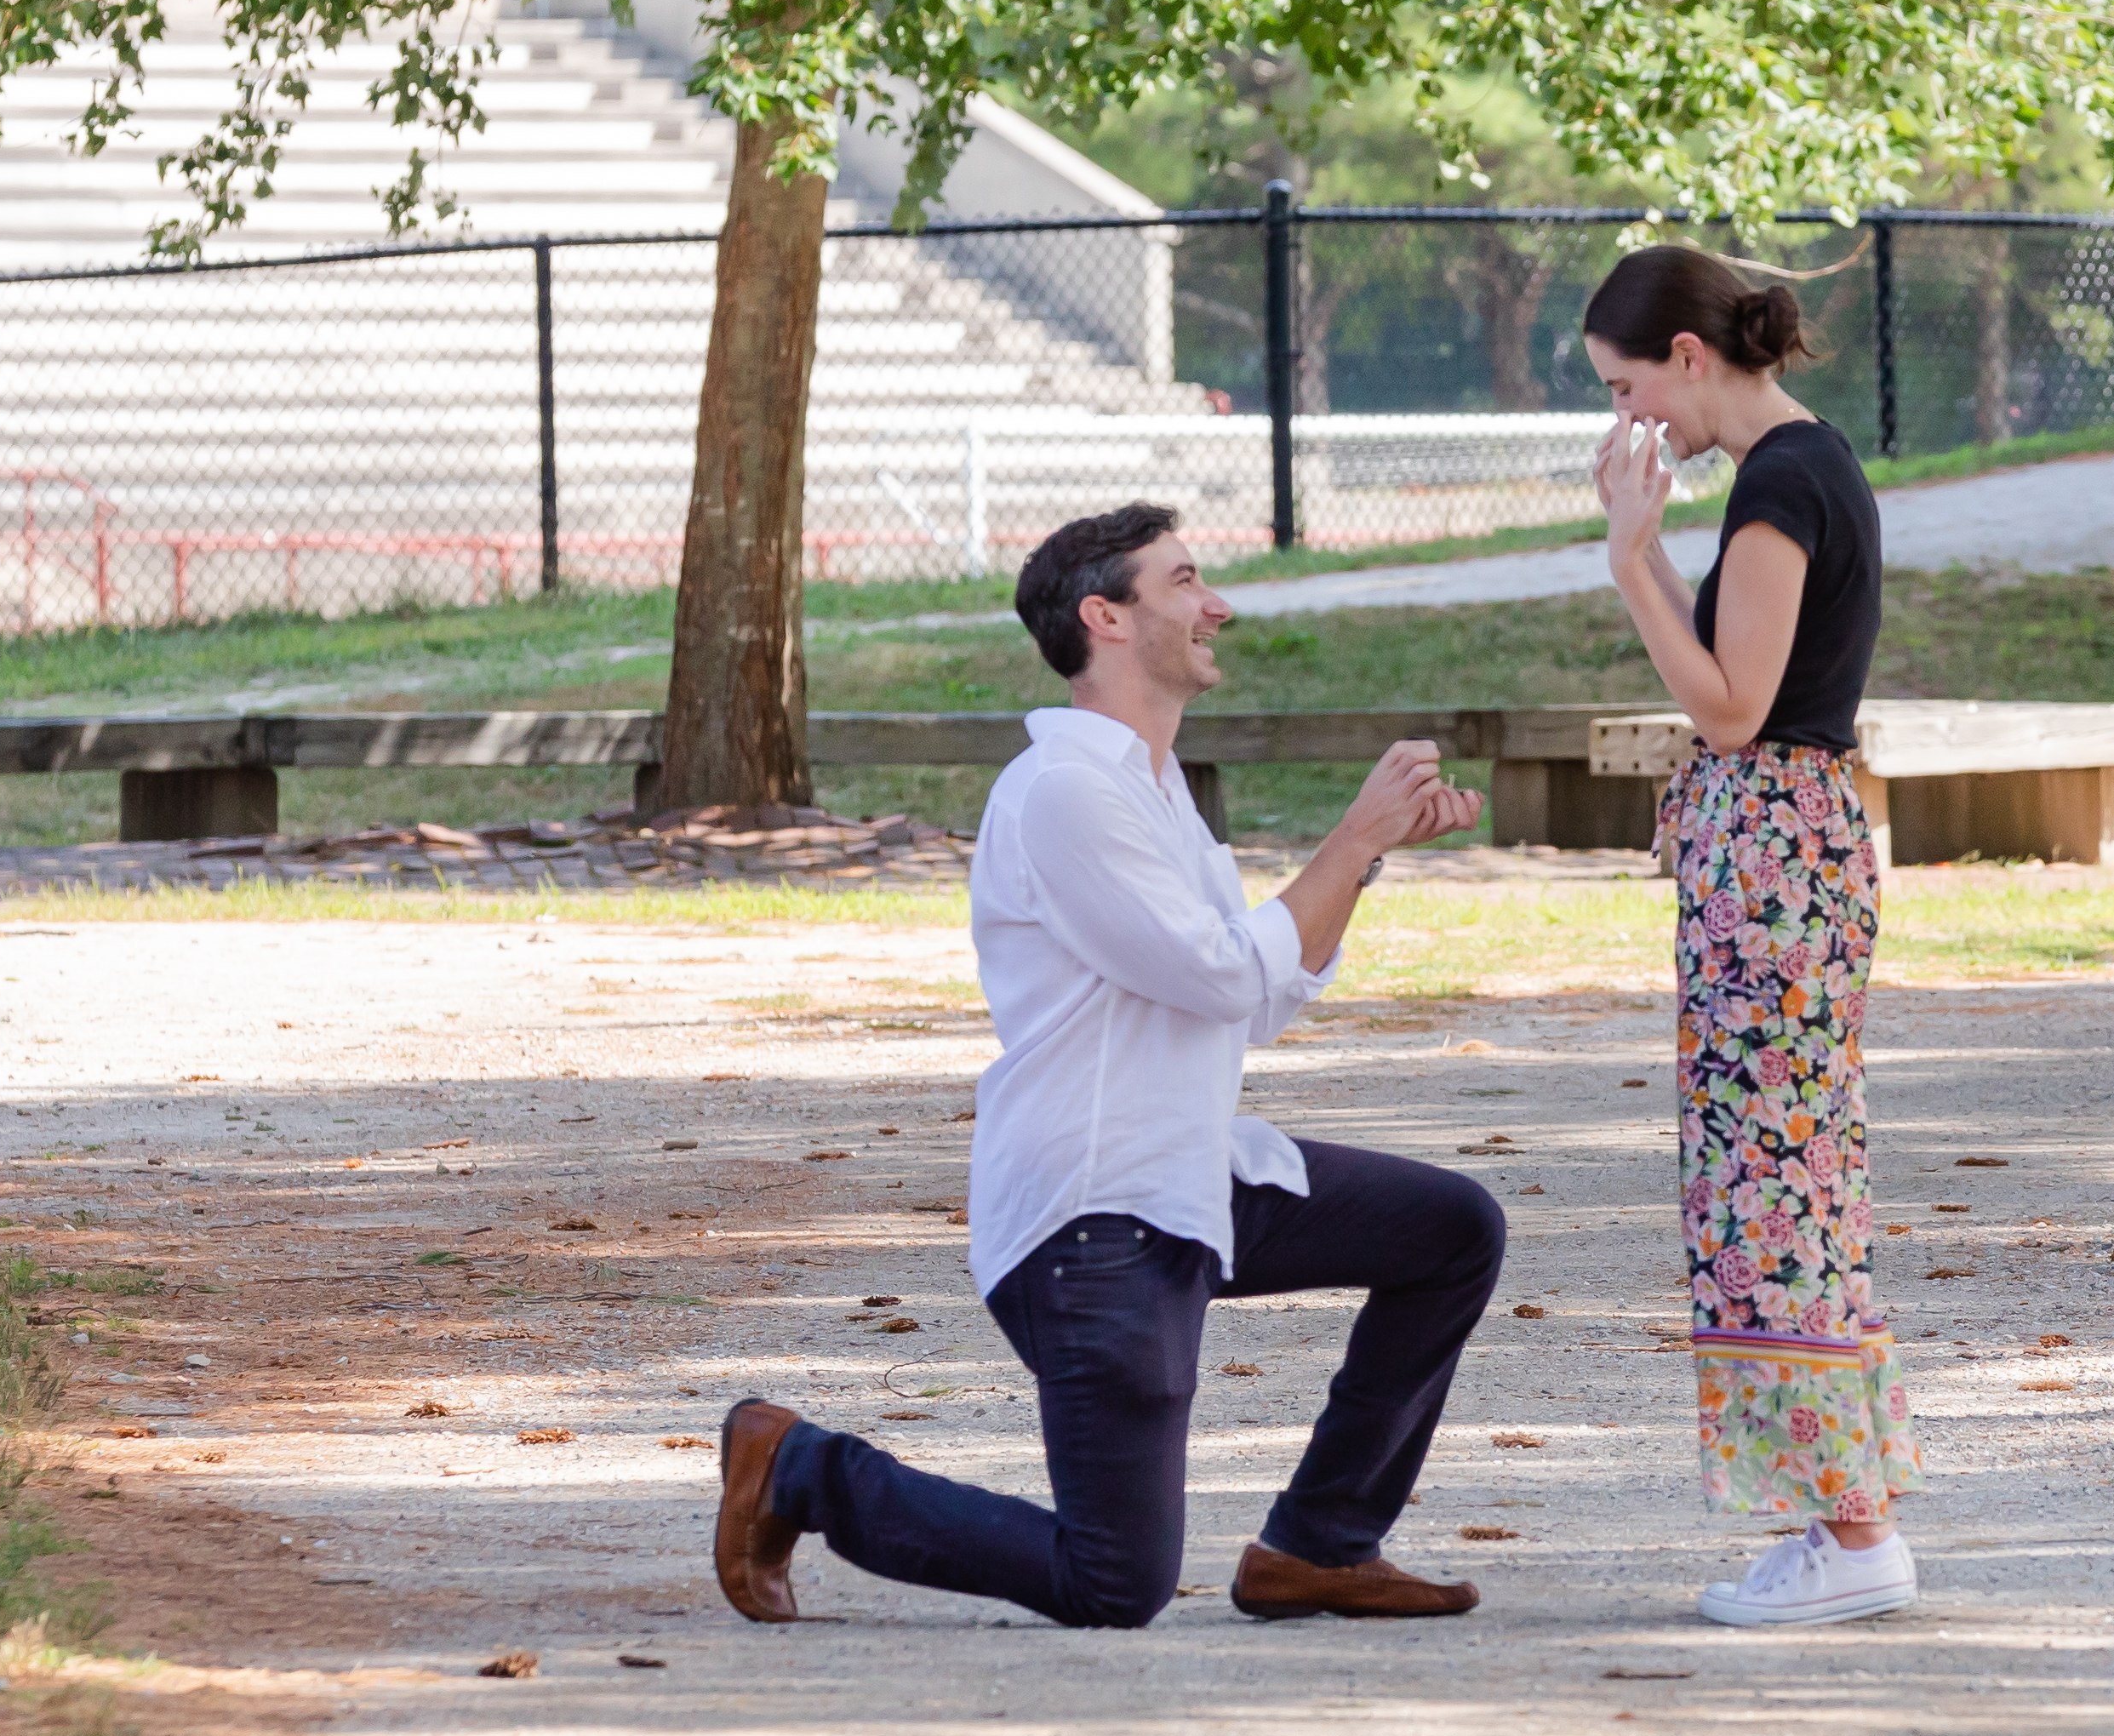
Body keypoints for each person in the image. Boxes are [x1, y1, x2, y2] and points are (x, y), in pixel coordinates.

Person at [711, 503, 1504, 1629]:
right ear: (1107, 618)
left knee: (1450, 1230)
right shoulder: (1067, 793)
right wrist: (1351, 842)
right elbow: (1227, 976)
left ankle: (1318, 1545)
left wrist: (1359, 869)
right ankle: (796, 1468)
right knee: (1114, 1580)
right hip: (1094, 1222)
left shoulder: (1151, 790)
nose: (1216, 603)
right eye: (1184, 581)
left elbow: (1256, 999)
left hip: (1185, 1179)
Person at [1583, 243, 1920, 1628]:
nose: (1629, 424)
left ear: (1688, 355)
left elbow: (1735, 704)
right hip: (1776, 853)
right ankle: (1842, 1520)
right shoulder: (1796, 470)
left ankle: (1850, 1535)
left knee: (1774, 1192)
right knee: (1774, 1184)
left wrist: (1632, 559)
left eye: (1627, 389)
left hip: (1775, 857)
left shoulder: (1784, 480)